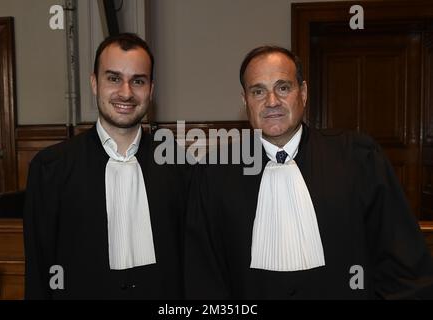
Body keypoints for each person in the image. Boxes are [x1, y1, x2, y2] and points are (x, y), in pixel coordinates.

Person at [185, 45, 433, 299]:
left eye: (283, 87)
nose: (272, 102)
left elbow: (400, 261)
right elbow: (204, 274)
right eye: (258, 91)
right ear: (245, 100)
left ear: (303, 93)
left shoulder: (358, 158)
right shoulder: (214, 174)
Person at [23, 33, 189, 299]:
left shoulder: (181, 167)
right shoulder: (50, 168)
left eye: (138, 81)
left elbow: (193, 264)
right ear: (94, 83)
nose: (126, 92)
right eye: (113, 78)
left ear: (151, 90)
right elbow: (39, 269)